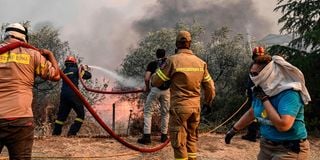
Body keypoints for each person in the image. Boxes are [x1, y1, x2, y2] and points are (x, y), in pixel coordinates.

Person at [225, 54, 311, 160]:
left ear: (268, 73)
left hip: (289, 149)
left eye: (256, 74)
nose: (253, 77)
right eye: (251, 73)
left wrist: (265, 100)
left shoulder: (289, 93)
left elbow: (283, 125)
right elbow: (252, 112)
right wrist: (234, 130)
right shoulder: (261, 89)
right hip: (266, 146)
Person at [152, 31, 215, 160]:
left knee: (179, 142)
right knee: (191, 139)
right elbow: (210, 88)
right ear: (190, 44)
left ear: (176, 44)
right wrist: (208, 102)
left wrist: (159, 71)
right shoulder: (201, 63)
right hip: (195, 108)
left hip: (179, 109)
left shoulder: (172, 61)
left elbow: (155, 81)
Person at [0, 23, 60, 159]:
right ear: (24, 38)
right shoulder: (32, 54)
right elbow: (56, 76)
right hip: (21, 120)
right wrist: (50, 55)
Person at [52, 56, 92, 136]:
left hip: (64, 96)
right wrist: (84, 69)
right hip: (73, 94)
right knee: (81, 115)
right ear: (74, 63)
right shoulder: (76, 70)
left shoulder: (64, 71)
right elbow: (88, 76)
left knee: (61, 117)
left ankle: (55, 134)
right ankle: (72, 133)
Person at [137, 49, 171, 144]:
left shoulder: (152, 64)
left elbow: (147, 78)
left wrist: (147, 88)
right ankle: (164, 136)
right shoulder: (169, 64)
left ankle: (147, 137)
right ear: (165, 55)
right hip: (167, 91)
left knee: (148, 112)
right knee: (165, 113)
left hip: (155, 90)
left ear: (156, 55)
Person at [241, 46, 265, 142]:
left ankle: (252, 134)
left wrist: (248, 91)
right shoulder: (266, 65)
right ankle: (259, 133)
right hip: (264, 94)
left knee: (252, 113)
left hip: (254, 94)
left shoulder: (254, 65)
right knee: (262, 113)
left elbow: (251, 81)